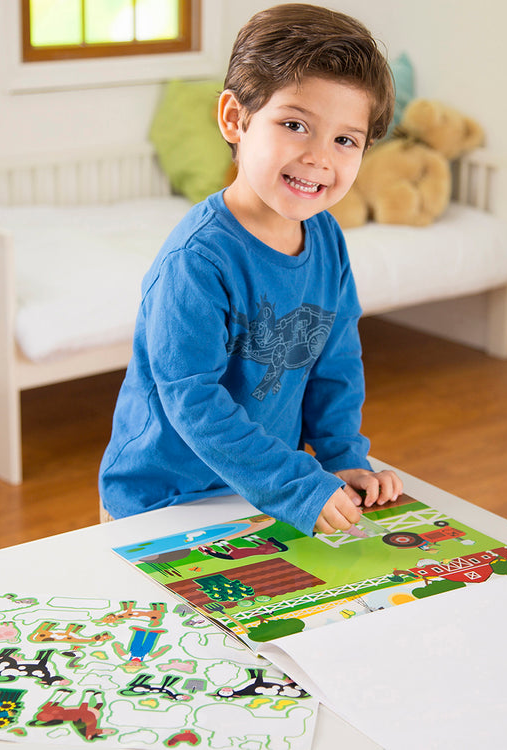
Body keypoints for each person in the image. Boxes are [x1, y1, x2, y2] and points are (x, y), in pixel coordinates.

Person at [99, 3, 403, 536]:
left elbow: (336, 359)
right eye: (295, 125)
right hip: (164, 497)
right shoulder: (196, 260)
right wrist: (296, 484)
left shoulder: (327, 237)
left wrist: (341, 454)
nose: (319, 158)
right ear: (235, 120)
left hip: (256, 490)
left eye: (345, 140)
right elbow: (194, 400)